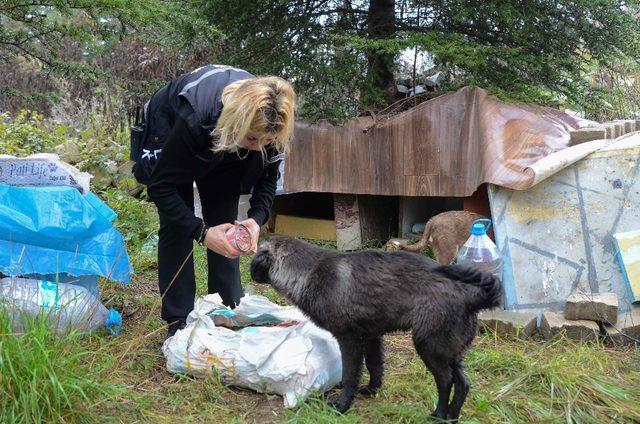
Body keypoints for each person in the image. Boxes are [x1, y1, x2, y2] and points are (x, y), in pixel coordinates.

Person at [141, 65, 295, 337]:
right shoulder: (194, 117)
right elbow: (160, 186)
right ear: (238, 121)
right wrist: (201, 233)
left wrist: (257, 220)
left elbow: (269, 179)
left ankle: (227, 309)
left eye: (266, 141)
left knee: (225, 220)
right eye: (253, 138)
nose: (259, 146)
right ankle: (179, 322)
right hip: (170, 127)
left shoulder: (272, 121)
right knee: (178, 226)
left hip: (225, 135)